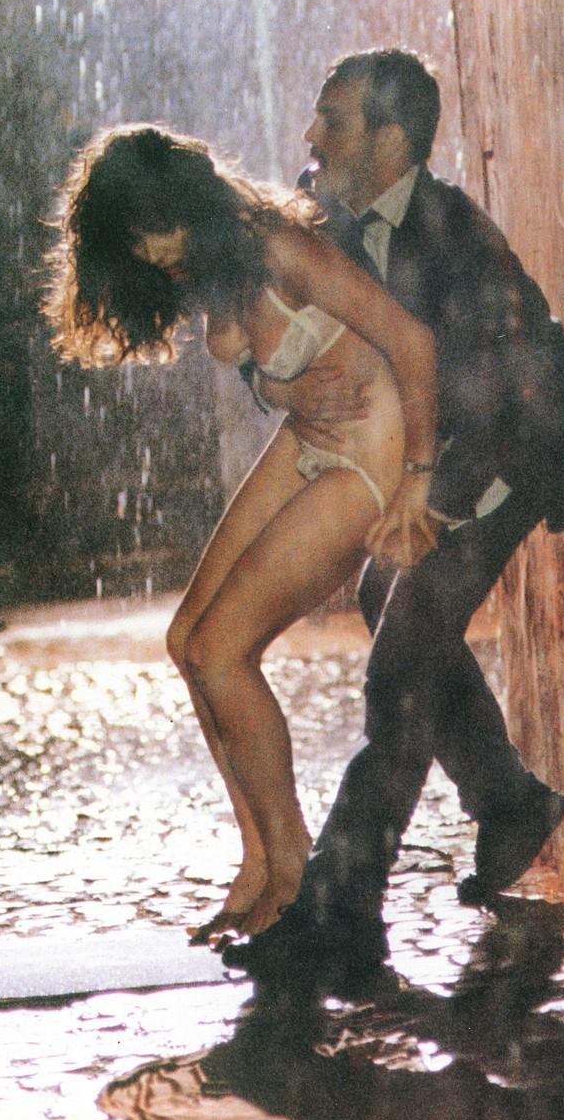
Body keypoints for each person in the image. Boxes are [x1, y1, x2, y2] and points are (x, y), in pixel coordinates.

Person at [222, 49, 564, 994]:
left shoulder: (458, 234)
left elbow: (506, 393)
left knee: (399, 666)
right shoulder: (320, 218)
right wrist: (272, 381)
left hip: (497, 466)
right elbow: (258, 334)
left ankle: (340, 912)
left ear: (391, 143)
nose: (311, 137)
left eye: (334, 121)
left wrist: (430, 505)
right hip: (421, 464)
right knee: (391, 607)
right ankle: (510, 802)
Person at [43, 123, 439, 938]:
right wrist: (282, 389)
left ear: (187, 204)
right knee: (187, 641)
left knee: (224, 651)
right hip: (310, 437)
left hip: (371, 450)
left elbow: (412, 340)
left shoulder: (280, 246)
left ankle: (295, 873)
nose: (156, 257)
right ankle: (257, 858)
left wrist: (417, 479)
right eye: (138, 246)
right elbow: (267, 358)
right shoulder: (212, 263)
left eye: (159, 235)